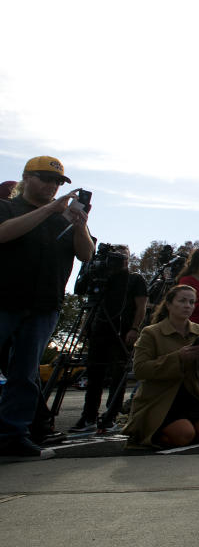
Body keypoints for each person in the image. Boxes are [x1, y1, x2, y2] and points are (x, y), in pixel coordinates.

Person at [0, 156, 93, 461]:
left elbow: (86, 255)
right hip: (6, 300)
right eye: (44, 179)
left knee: (24, 372)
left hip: (43, 305)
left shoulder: (63, 218)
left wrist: (81, 227)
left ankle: (14, 434)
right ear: (25, 178)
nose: (52, 186)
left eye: (56, 182)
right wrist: (48, 210)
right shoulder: (8, 208)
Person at [69, 245, 147, 433]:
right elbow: (92, 303)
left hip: (123, 329)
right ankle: (88, 417)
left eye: (123, 256)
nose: (120, 260)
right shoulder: (103, 277)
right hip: (100, 329)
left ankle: (111, 417)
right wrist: (86, 328)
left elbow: (141, 306)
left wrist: (135, 328)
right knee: (95, 373)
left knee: (118, 373)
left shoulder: (135, 279)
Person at [122, 285, 199, 449]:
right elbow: (141, 369)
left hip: (189, 396)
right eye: (182, 301)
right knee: (184, 434)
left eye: (192, 302)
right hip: (159, 399)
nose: (188, 306)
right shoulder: (151, 333)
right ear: (169, 305)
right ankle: (145, 433)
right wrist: (178, 358)